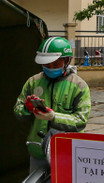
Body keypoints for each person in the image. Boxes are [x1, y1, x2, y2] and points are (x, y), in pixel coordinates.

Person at [13, 36, 91, 172]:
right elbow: (17, 110)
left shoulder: (79, 86)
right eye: (46, 65)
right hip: (37, 150)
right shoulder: (33, 82)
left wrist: (53, 117)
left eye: (55, 65)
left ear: (66, 61)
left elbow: (80, 120)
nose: (50, 68)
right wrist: (27, 108)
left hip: (67, 152)